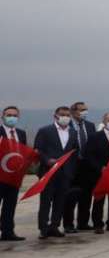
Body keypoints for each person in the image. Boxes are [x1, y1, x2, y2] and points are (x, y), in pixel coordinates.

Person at [33, 106, 79, 238]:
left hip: (65, 173)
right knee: (46, 201)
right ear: (56, 116)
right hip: (48, 172)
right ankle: (43, 228)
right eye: (62, 115)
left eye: (67, 115)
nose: (65, 117)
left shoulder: (73, 133)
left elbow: (74, 152)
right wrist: (47, 160)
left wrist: (72, 170)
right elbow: (38, 149)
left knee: (60, 201)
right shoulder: (45, 131)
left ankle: (54, 226)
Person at [85, 113, 109, 233]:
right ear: (104, 121)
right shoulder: (95, 137)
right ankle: (98, 224)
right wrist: (100, 167)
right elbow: (89, 155)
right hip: (99, 173)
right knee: (99, 199)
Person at [63, 101, 95, 234]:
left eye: (86, 110)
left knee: (86, 197)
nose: (84, 112)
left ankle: (83, 223)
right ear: (73, 112)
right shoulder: (67, 125)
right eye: (81, 110)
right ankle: (68, 224)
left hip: (87, 167)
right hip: (72, 166)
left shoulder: (90, 126)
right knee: (71, 197)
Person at [0, 106, 28, 241]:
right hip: (0, 175)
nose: (12, 117)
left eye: (15, 115)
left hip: (14, 176)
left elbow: (23, 152)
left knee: (10, 205)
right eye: (9, 115)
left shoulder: (21, 133)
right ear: (2, 116)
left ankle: (7, 231)